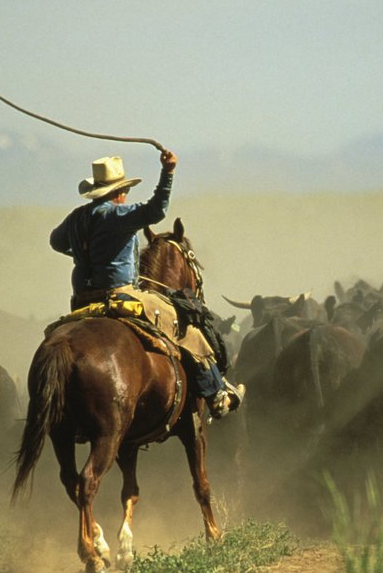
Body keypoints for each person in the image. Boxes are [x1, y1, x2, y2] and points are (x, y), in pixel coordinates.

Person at [49, 150, 243, 420]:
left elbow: (56, 242)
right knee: (187, 325)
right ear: (118, 192)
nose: (125, 195)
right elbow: (157, 210)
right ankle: (216, 393)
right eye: (124, 190)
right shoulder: (118, 215)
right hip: (119, 294)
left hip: (81, 299)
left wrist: (85, 254)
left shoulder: (77, 217)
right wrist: (169, 172)